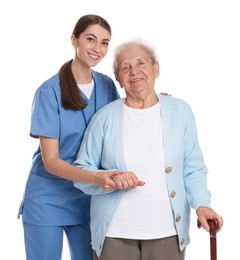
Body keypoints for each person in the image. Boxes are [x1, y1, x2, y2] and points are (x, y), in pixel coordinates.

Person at [73, 40, 224, 260]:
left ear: (156, 69)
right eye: (125, 67)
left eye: (140, 63)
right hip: (114, 233)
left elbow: (193, 168)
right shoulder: (104, 118)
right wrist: (109, 178)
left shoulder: (180, 111)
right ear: (119, 78)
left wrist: (202, 205)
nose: (134, 71)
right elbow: (81, 172)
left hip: (168, 232)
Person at [17, 14, 127, 260]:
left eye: (105, 42)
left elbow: (123, 124)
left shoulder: (107, 85)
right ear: (74, 39)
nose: (97, 49)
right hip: (48, 198)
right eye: (91, 39)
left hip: (89, 199)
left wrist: (154, 103)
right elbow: (51, 161)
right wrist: (95, 177)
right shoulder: (49, 91)